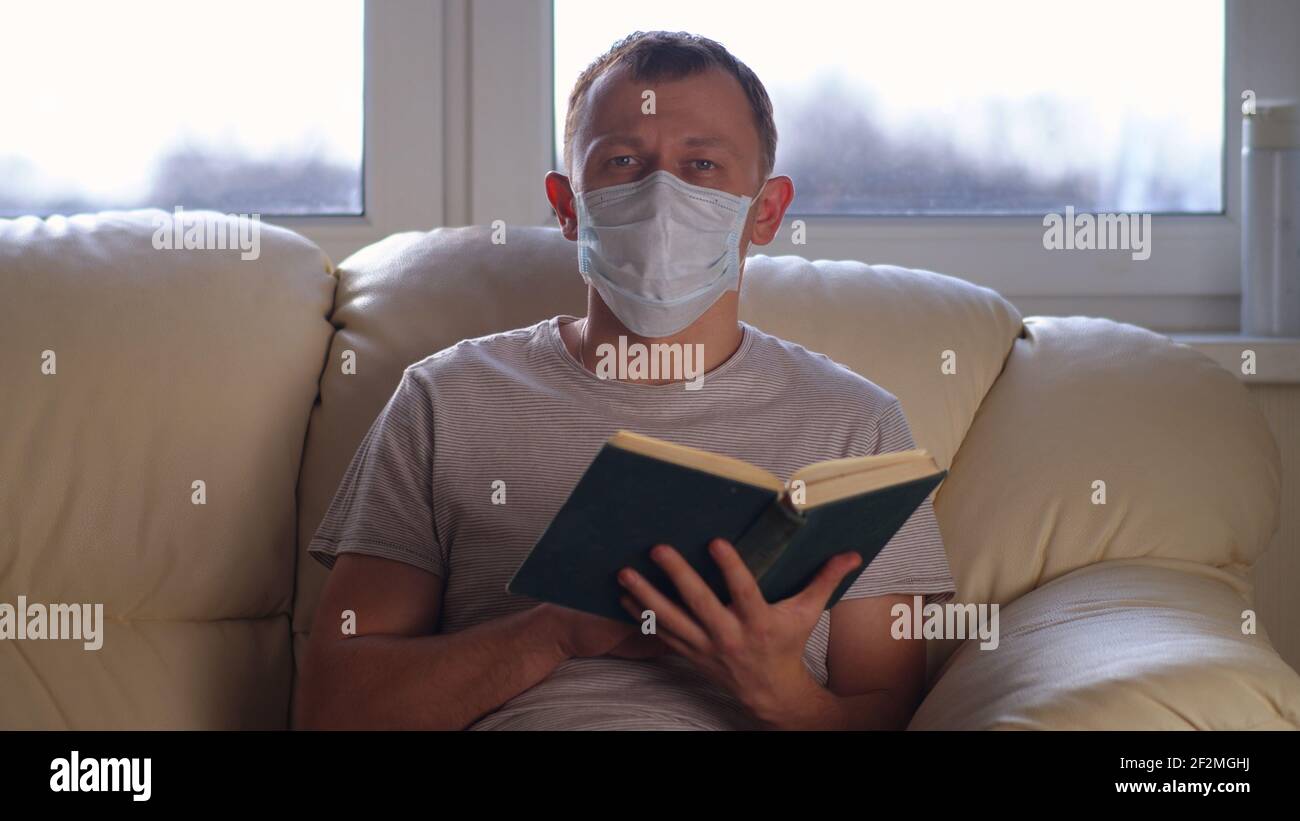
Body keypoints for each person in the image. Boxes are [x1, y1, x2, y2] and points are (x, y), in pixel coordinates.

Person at [295, 30, 955, 730]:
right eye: (622, 161)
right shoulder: (446, 398)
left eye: (701, 163)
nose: (660, 192)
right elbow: (334, 708)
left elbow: (890, 715)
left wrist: (776, 688)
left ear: (766, 210)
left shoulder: (854, 424)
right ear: (567, 204)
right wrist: (550, 633)